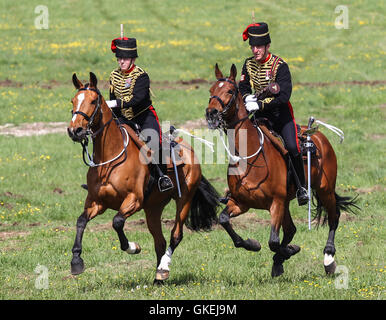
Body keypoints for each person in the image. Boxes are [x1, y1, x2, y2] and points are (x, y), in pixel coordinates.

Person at [239, 22, 308, 206]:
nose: (255, 50)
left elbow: (284, 96)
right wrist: (247, 98)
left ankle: (301, 187)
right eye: (253, 46)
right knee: (240, 140)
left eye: (259, 46)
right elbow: (243, 86)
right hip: (259, 116)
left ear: (267, 46)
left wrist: (259, 104)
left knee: (292, 147)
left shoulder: (280, 65)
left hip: (280, 115)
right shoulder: (248, 65)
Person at [107, 37, 173, 192]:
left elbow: (137, 99)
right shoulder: (113, 76)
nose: (121, 62)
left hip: (143, 117)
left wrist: (116, 103)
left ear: (133, 59)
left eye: (125, 58)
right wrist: (115, 117)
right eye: (119, 58)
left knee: (154, 141)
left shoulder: (141, 75)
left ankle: (162, 177)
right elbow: (112, 99)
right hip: (123, 117)